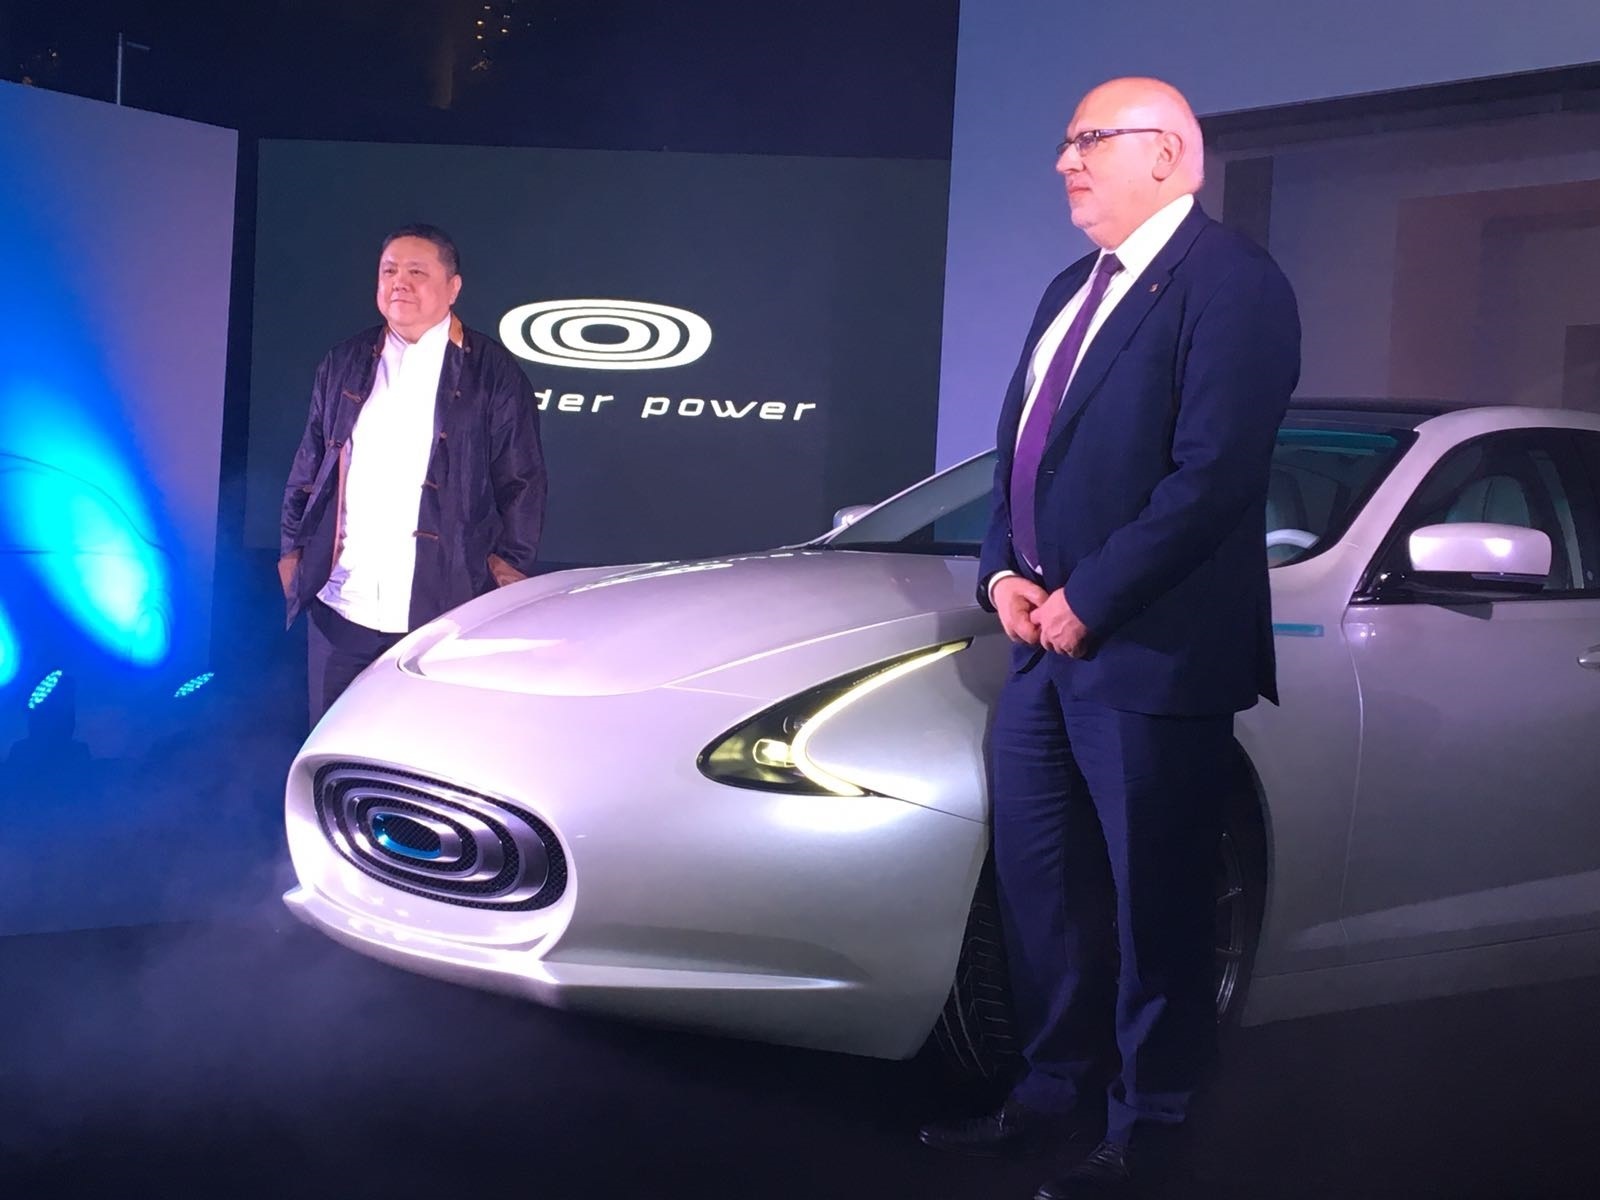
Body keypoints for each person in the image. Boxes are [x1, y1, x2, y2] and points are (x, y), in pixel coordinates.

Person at [919, 78, 1301, 1198]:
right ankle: (1051, 1098)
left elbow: (1213, 477)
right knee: (1045, 898)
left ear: (1167, 154)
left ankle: (1153, 1127)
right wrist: (1000, 570)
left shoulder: (1233, 284)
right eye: (1065, 141)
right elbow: (1019, 458)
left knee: (1155, 908)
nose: (1064, 161)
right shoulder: (1067, 290)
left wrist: (1090, 598)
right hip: (1042, 649)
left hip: (1149, 657)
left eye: (1089, 140)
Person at [279, 223, 546, 725]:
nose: (399, 282)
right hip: (343, 606)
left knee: (427, 746)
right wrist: (293, 550)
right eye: (389, 271)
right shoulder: (344, 362)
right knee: (336, 745)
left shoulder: (493, 373)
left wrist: (505, 570)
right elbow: (310, 463)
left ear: (453, 287)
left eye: (417, 272)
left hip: (443, 612)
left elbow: (522, 482)